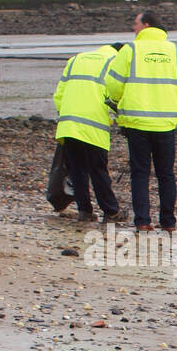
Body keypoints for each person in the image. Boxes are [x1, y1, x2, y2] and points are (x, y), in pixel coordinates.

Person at [105, 10, 177, 233]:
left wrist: (116, 100)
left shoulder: (130, 50)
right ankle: (169, 222)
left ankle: (143, 221)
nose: (133, 28)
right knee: (166, 174)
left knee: (140, 173)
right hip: (165, 123)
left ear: (145, 24)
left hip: (137, 122)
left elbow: (113, 83)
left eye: (134, 23)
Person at [53, 42, 124, 222]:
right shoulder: (114, 62)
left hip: (68, 124)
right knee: (98, 170)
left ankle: (84, 210)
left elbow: (58, 95)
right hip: (94, 125)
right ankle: (111, 211)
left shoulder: (77, 59)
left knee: (77, 169)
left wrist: (67, 114)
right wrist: (122, 118)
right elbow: (116, 94)